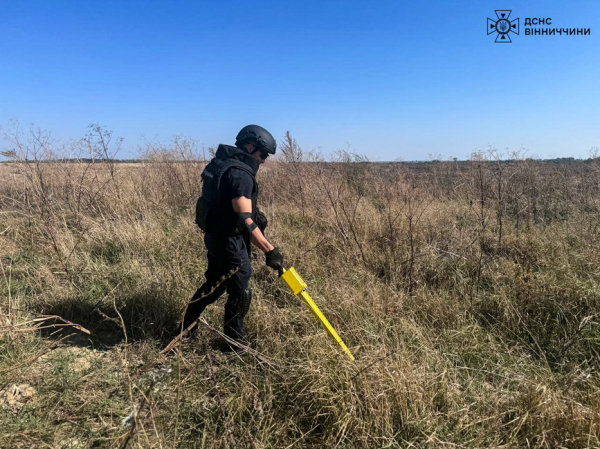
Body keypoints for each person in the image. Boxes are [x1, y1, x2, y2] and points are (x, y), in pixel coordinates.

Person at [182, 124, 284, 348]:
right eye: (263, 154)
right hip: (230, 241)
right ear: (249, 146)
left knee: (214, 285)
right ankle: (234, 345)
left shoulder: (220, 164)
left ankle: (185, 331)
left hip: (215, 236)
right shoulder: (240, 174)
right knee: (240, 290)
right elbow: (244, 220)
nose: (264, 160)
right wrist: (270, 250)